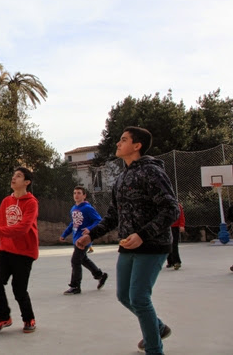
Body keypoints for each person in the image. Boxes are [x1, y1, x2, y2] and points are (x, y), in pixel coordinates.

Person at [76, 126, 179, 354]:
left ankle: (154, 349)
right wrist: (90, 235)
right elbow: (113, 216)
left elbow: (171, 209)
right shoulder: (121, 178)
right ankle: (158, 327)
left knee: (140, 298)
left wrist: (142, 235)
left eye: (123, 140)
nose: (118, 144)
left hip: (153, 245)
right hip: (127, 245)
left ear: (137, 145)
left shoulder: (152, 172)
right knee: (124, 296)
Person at [0, 167, 39, 335]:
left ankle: (29, 318)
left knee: (19, 289)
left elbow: (22, 229)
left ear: (26, 182)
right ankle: (4, 317)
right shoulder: (6, 201)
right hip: (6, 250)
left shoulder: (31, 203)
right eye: (13, 175)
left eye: (18, 176)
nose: (14, 178)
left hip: (25, 253)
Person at [59, 186, 108, 295]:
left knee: (75, 260)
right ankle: (100, 275)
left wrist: (89, 229)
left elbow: (98, 220)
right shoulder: (73, 208)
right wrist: (64, 234)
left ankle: (75, 286)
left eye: (79, 193)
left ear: (84, 195)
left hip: (84, 239)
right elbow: (73, 223)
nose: (76, 195)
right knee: (83, 259)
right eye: (74, 193)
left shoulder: (87, 208)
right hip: (76, 239)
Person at [166, 203, 185, 270]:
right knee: (167, 244)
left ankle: (177, 261)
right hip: (166, 227)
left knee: (174, 244)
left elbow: (181, 216)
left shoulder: (177, 205)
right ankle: (170, 261)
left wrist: (181, 225)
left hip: (174, 227)